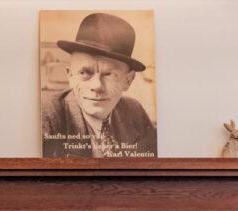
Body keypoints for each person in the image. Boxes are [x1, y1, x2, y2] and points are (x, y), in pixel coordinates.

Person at [41, 12, 157, 158]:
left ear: (128, 81)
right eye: (84, 73)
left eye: (109, 74)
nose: (96, 86)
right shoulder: (46, 117)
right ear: (70, 75)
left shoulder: (135, 113)